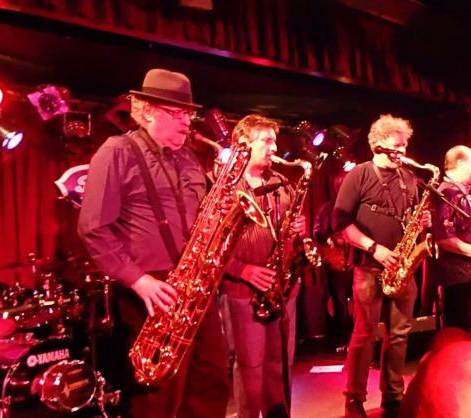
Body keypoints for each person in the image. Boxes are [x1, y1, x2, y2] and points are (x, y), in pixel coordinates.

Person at [78, 68, 229, 418]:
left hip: (195, 284)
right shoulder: (116, 152)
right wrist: (138, 280)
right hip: (151, 289)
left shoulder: (188, 157)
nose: (187, 122)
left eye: (188, 113)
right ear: (147, 111)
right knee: (158, 396)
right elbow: (92, 228)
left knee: (211, 383)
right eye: (177, 113)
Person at [332, 114, 431, 418]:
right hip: (369, 266)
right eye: (397, 144)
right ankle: (354, 399)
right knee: (364, 334)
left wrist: (422, 223)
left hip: (402, 266)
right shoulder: (359, 175)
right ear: (378, 143)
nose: (403, 150)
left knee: (399, 335)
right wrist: (374, 248)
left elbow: (410, 219)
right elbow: (341, 224)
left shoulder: (409, 178)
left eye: (405, 144)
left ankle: (393, 396)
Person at [220, 114, 307, 418]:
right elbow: (211, 244)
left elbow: (293, 236)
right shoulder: (224, 186)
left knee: (279, 366)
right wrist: (242, 270)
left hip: (282, 288)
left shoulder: (282, 183)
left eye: (275, 141)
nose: (275, 148)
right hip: (243, 290)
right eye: (267, 141)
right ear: (244, 143)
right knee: (250, 368)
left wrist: (299, 230)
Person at [430, 145, 471, 332]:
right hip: (457, 275)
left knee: (468, 328)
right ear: (461, 163)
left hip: (466, 273)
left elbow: (460, 227)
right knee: (458, 330)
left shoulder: (459, 191)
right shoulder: (448, 193)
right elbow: (443, 237)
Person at [313, 171, 353, 351]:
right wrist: (331, 240)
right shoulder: (327, 208)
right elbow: (318, 233)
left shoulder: (357, 206)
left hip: (354, 261)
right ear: (337, 187)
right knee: (340, 302)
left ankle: (357, 339)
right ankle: (343, 339)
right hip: (336, 260)